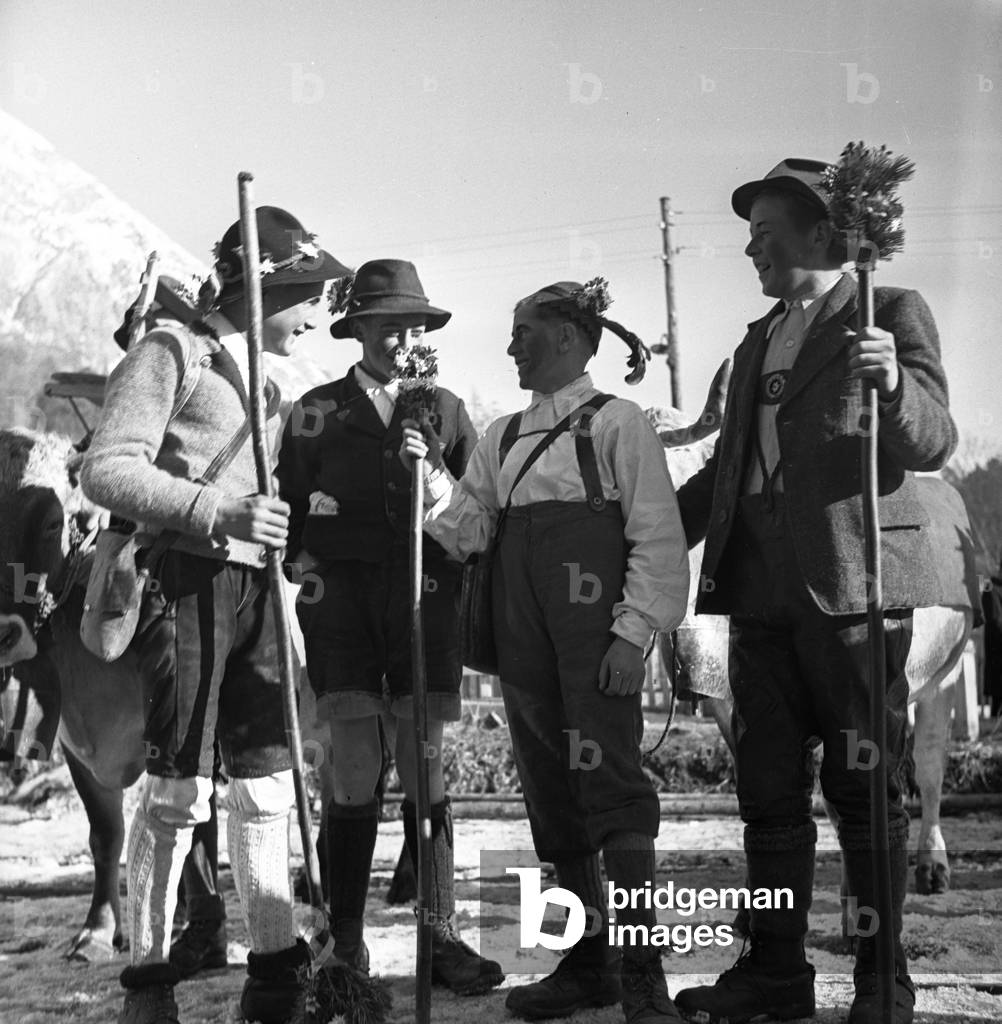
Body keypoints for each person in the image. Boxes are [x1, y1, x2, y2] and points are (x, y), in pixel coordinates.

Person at [671, 159, 957, 1024]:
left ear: (822, 233)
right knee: (766, 794)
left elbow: (935, 441)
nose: (752, 248)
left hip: (851, 593)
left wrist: (895, 383)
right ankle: (778, 973)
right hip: (754, 595)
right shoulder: (755, 340)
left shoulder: (890, 313)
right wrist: (639, 534)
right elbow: (729, 468)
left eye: (764, 233)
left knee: (866, 793)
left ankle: (882, 980)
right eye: (750, 235)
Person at [82, 206, 351, 1024]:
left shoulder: (270, 383)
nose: (316, 316)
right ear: (271, 290)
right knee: (178, 791)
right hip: (186, 586)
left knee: (268, 785)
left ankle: (273, 978)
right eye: (309, 297)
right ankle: (150, 982)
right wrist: (218, 512)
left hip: (258, 595)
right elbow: (106, 470)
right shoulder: (168, 353)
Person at [401, 279, 691, 1024]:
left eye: (523, 331)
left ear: (568, 336)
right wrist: (425, 473)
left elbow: (657, 537)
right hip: (524, 638)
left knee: (615, 789)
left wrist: (633, 635)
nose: (510, 346)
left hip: (595, 637)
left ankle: (640, 968)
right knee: (549, 790)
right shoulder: (500, 436)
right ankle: (586, 962)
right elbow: (463, 528)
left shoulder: (619, 425)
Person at [276, 258, 505, 996]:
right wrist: (313, 541)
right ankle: (345, 944)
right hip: (340, 617)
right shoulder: (314, 411)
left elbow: (475, 524)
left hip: (424, 610)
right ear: (360, 330)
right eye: (388, 325)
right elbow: (287, 518)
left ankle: (439, 939)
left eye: (416, 325)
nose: (404, 338)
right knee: (350, 775)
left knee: (426, 773)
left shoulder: (445, 409)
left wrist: (429, 467)